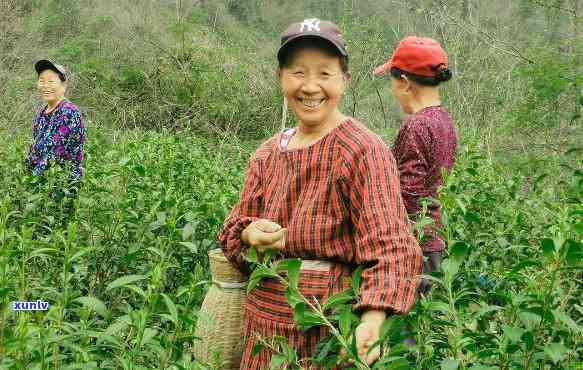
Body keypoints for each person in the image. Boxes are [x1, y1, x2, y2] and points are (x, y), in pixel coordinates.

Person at [218, 19, 422, 369]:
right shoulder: (267, 154)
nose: (310, 87)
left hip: (327, 334)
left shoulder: (362, 151)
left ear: (345, 80)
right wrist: (249, 234)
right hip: (261, 335)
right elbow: (231, 232)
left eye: (325, 74)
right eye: (298, 72)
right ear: (281, 77)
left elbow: (392, 247)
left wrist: (372, 321)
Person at [374, 37, 458, 293]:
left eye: (392, 82)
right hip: (434, 241)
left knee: (403, 329)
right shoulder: (444, 121)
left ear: (405, 82)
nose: (393, 90)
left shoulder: (417, 125)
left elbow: (409, 194)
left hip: (414, 247)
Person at [25, 60, 86, 213]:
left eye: (51, 81)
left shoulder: (69, 112)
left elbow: (54, 154)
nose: (46, 86)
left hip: (61, 187)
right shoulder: (42, 112)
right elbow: (34, 148)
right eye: (42, 81)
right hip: (41, 186)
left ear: (63, 86)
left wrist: (30, 183)